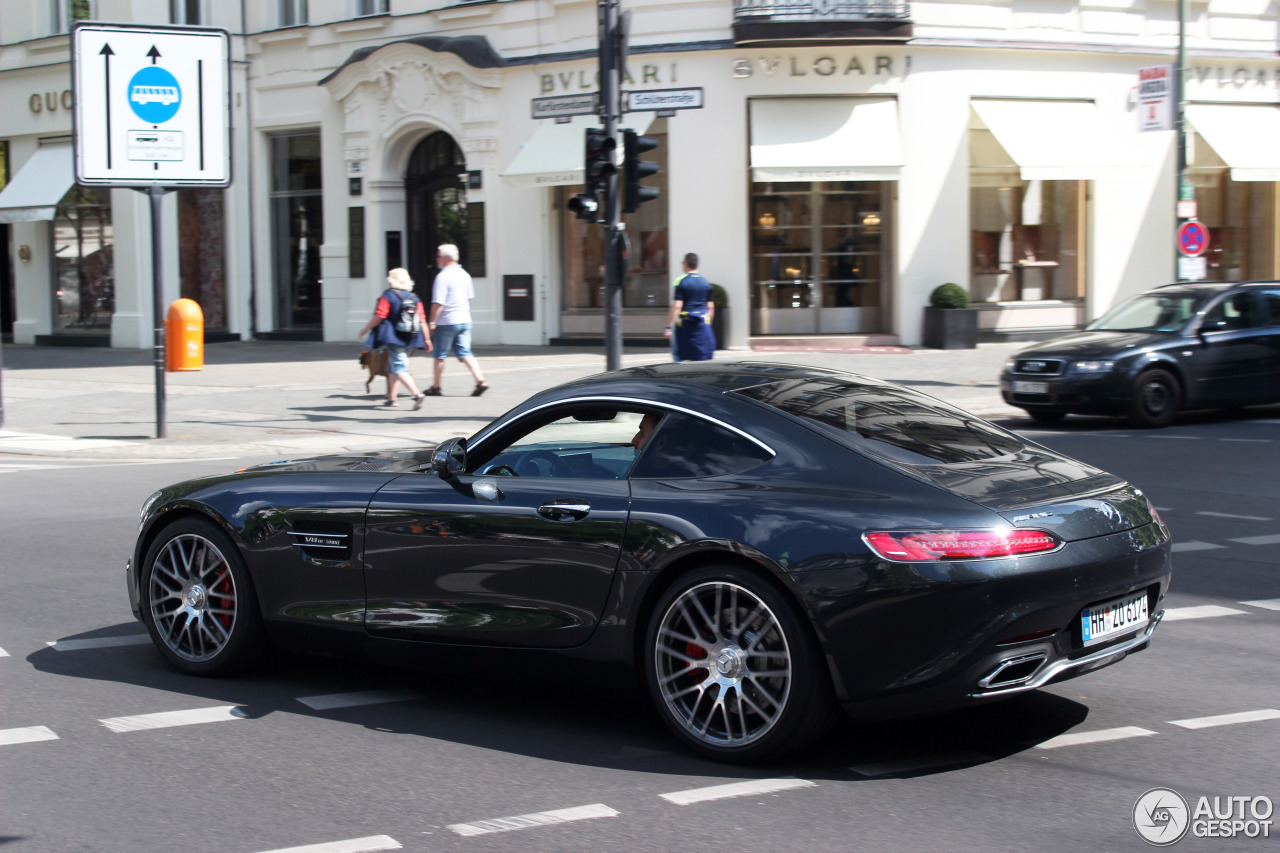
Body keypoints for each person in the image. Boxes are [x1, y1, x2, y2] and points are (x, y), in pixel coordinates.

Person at [358, 268, 432, 409]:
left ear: (392, 280)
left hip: (393, 338)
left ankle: (416, 394)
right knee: (392, 368)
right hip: (409, 337)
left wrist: (366, 328)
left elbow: (380, 315)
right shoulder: (415, 298)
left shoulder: (388, 296)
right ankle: (392, 398)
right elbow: (422, 320)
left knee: (400, 368)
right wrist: (427, 340)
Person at [426, 243, 489, 397]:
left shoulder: (442, 276)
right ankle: (480, 380)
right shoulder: (464, 275)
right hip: (464, 319)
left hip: (447, 321)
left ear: (446, 257)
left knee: (440, 355)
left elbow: (438, 303)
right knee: (465, 352)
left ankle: (436, 386)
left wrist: (432, 322)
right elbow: (469, 300)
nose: (436, 259)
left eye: (438, 256)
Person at [665, 252, 716, 362]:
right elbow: (711, 307)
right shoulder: (705, 282)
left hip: (684, 327)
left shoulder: (681, 281)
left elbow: (677, 305)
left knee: (679, 356)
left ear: (686, 264)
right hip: (701, 325)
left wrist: (669, 327)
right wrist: (708, 324)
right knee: (700, 358)